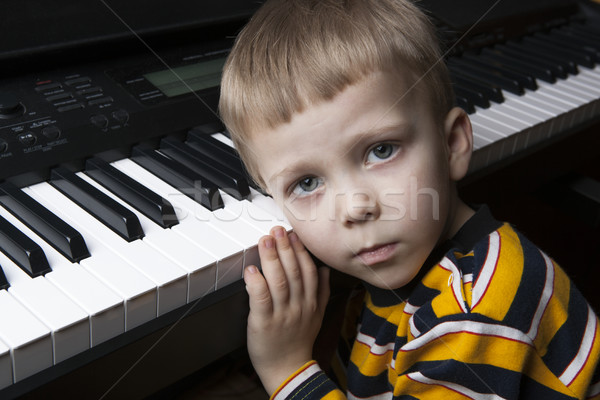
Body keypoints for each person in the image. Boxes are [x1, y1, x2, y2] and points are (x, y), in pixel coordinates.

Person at [218, 0, 600, 398]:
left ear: (452, 144)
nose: (355, 207)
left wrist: (288, 371)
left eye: (382, 150)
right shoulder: (407, 271)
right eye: (307, 182)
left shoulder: (479, 305)